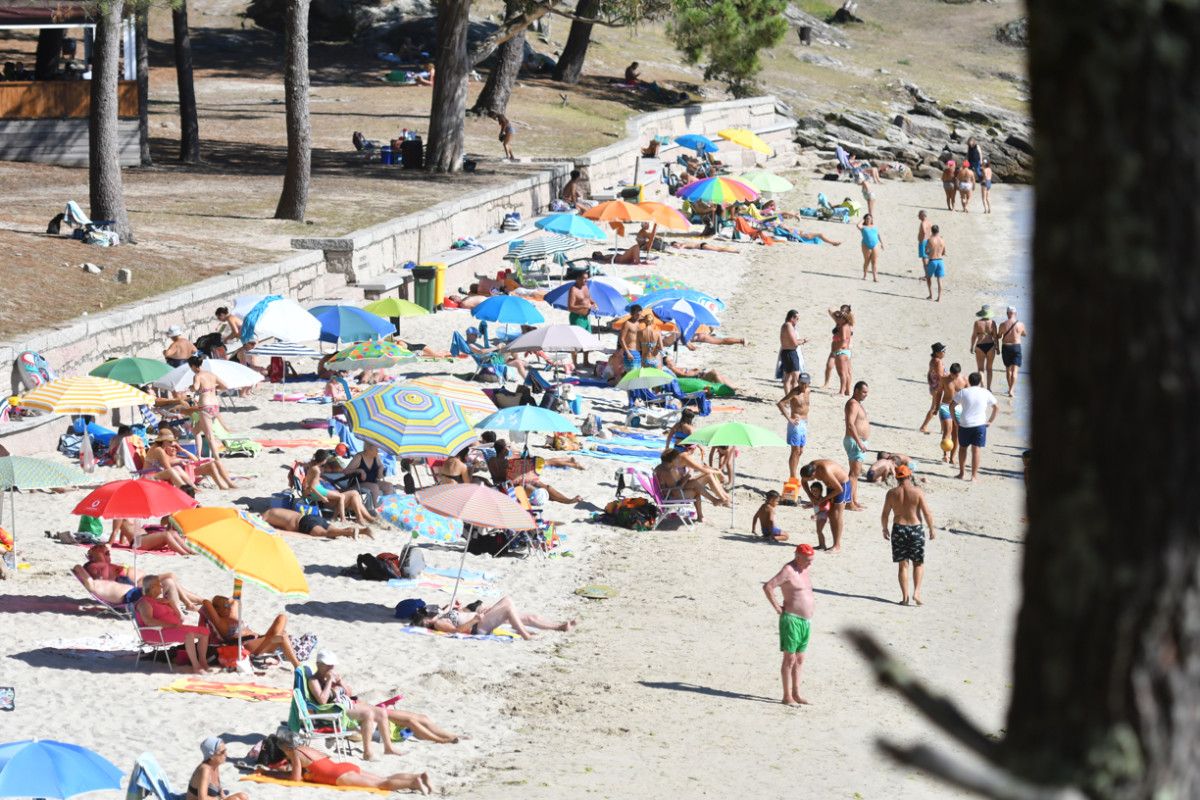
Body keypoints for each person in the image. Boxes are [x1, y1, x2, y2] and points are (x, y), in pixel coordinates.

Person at [257, 727, 431, 794]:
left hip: (337, 776)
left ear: (283, 747)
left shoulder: (294, 753)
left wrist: (273, 775)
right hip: (342, 766)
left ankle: (414, 783)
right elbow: (309, 769)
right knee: (382, 778)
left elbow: (295, 779)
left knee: (382, 784)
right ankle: (417, 776)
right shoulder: (305, 747)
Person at [762, 543, 816, 705]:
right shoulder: (788, 570)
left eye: (811, 560)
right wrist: (778, 608)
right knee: (789, 658)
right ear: (798, 557)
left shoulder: (804, 570)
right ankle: (787, 696)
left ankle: (796, 693)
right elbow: (768, 587)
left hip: (805, 622)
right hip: (791, 619)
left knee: (799, 659)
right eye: (807, 560)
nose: (810, 563)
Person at [880, 465, 935, 605]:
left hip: (899, 529)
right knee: (918, 563)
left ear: (897, 478)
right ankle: (916, 592)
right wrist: (931, 529)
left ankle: (905, 598)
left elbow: (885, 514)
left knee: (903, 565)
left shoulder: (891, 493)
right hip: (915, 528)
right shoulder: (917, 492)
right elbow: (927, 512)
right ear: (909, 476)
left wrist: (885, 528)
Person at [134, 576, 211, 672]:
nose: (161, 586)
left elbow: (179, 617)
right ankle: (196, 666)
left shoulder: (160, 601)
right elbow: (149, 621)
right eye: (159, 584)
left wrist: (170, 603)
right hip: (155, 632)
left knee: (205, 632)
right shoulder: (144, 602)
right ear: (152, 587)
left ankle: (203, 661)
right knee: (189, 635)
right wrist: (172, 625)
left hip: (172, 629)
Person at [201, 595, 302, 667]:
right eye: (225, 606)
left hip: (260, 641)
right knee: (283, 636)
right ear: (217, 610)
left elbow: (236, 598)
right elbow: (206, 602)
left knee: (282, 617)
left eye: (229, 605)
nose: (229, 607)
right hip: (249, 645)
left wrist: (238, 578)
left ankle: (274, 642)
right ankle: (298, 667)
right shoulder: (220, 623)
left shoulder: (233, 615)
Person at [413, 596, 575, 640]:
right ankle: (524, 634)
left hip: (481, 619)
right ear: (427, 621)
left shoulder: (441, 615)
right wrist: (474, 620)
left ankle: (559, 627)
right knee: (508, 604)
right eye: (428, 614)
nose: (431, 612)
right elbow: (456, 630)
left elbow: (456, 612)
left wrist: (455, 605)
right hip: (478, 627)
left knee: (529, 616)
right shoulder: (439, 624)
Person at [488, 439, 582, 503]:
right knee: (539, 490)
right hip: (509, 488)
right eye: (508, 447)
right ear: (503, 449)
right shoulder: (503, 461)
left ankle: (568, 500)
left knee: (543, 485)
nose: (509, 448)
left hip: (514, 482)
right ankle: (568, 500)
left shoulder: (496, 460)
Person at [145, 428, 233, 491]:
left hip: (166, 472)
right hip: (150, 475)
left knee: (214, 464)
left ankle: (194, 488)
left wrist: (182, 451)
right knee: (175, 470)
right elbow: (168, 468)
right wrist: (179, 461)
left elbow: (195, 460)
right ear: (163, 441)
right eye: (170, 441)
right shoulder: (159, 450)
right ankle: (189, 490)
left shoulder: (161, 448)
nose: (173, 444)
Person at [303, 450, 378, 523]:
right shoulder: (317, 470)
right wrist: (322, 497)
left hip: (324, 493)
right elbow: (312, 486)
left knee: (355, 497)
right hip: (323, 496)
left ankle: (364, 518)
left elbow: (310, 480)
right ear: (324, 460)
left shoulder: (313, 467)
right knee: (354, 493)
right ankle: (347, 518)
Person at [951, 372, 999, 482]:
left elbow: (951, 406)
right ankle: (974, 476)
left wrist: (955, 420)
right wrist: (990, 421)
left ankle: (962, 473)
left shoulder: (963, 392)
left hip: (965, 424)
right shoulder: (985, 392)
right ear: (980, 381)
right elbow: (996, 407)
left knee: (962, 449)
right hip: (980, 425)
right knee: (976, 451)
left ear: (969, 381)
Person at [799, 460, 851, 552]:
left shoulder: (825, 471)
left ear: (813, 474)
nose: (809, 481)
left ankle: (837, 545)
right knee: (831, 515)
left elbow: (839, 489)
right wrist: (811, 497)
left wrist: (823, 499)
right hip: (832, 487)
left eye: (810, 479)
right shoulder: (809, 468)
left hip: (842, 486)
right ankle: (824, 545)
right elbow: (803, 482)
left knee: (836, 515)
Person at [188, 355, 229, 468]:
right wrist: (212, 389)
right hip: (215, 405)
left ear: (193, 366)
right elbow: (225, 386)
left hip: (205, 405)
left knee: (209, 436)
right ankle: (198, 455)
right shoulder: (212, 374)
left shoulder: (197, 376)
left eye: (190, 367)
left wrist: (191, 387)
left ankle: (217, 460)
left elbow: (195, 388)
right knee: (196, 430)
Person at [843, 381, 871, 510]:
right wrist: (859, 442)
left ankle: (853, 500)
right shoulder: (853, 404)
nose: (866, 395)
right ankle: (849, 503)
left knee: (855, 473)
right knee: (854, 474)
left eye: (867, 392)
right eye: (864, 392)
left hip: (858, 441)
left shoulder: (858, 404)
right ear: (856, 391)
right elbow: (850, 424)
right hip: (855, 441)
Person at [777, 374, 811, 479]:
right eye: (801, 382)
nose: (803, 385)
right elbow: (780, 404)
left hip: (804, 423)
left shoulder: (809, 390)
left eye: (805, 383)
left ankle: (794, 472)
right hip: (796, 424)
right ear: (798, 381)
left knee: (800, 451)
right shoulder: (794, 392)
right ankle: (792, 475)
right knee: (795, 450)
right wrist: (789, 419)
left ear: (809, 383)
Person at [262, 507, 368, 539]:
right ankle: (361, 531)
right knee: (332, 531)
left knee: (324, 534)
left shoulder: (266, 516)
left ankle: (348, 532)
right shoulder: (274, 511)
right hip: (312, 518)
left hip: (303, 522)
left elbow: (258, 524)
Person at [934, 362, 967, 463]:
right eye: (952, 375)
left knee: (956, 434)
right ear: (950, 373)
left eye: (956, 375)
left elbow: (969, 395)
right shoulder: (944, 379)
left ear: (959, 373)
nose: (954, 377)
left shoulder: (964, 380)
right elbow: (939, 392)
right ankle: (945, 455)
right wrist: (937, 406)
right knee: (948, 429)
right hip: (945, 406)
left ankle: (952, 457)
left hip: (958, 408)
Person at [110, 518, 192, 555]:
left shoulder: (132, 513)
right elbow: (115, 531)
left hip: (144, 538)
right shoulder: (118, 516)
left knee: (172, 532)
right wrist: (109, 544)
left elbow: (125, 530)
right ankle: (184, 553)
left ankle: (189, 551)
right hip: (138, 542)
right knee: (166, 534)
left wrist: (122, 541)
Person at [825, 305, 855, 396]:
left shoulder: (842, 327)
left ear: (844, 318)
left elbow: (842, 340)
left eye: (840, 318)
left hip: (841, 351)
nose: (838, 319)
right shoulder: (848, 326)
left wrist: (837, 349)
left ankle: (841, 392)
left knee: (842, 373)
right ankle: (847, 391)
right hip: (847, 352)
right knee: (847, 372)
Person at [918, 342, 948, 433]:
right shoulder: (938, 362)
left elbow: (929, 373)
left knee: (939, 407)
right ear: (937, 352)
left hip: (934, 386)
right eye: (943, 351)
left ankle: (943, 428)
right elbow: (940, 376)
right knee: (935, 408)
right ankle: (924, 426)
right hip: (938, 388)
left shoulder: (932, 360)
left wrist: (931, 384)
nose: (944, 352)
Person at [998, 305, 1027, 396]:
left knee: (1008, 370)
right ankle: (1011, 390)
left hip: (1006, 347)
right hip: (1016, 347)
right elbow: (1025, 334)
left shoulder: (1003, 324)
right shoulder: (1020, 324)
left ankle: (1009, 388)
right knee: (1015, 371)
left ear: (1007, 313)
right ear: (1015, 313)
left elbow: (999, 335)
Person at [969, 304, 999, 388]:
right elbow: (995, 336)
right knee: (989, 368)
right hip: (990, 345)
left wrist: (972, 346)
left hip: (980, 345)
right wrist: (998, 348)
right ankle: (988, 388)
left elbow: (974, 336)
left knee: (980, 369)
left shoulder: (977, 323)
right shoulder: (992, 323)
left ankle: (982, 386)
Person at [777, 309, 806, 394]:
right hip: (790, 353)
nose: (797, 321)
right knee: (795, 378)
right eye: (797, 318)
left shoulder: (785, 325)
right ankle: (792, 398)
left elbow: (791, 341)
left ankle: (788, 398)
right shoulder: (788, 326)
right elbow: (794, 342)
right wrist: (803, 341)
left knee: (787, 378)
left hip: (786, 352)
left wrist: (802, 340)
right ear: (792, 318)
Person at [924, 225, 947, 301]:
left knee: (928, 277)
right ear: (938, 231)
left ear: (931, 231)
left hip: (932, 260)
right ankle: (939, 298)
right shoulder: (942, 240)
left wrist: (930, 253)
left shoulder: (930, 240)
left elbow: (926, 251)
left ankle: (931, 295)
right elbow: (944, 252)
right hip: (940, 261)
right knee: (939, 280)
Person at [857, 213, 882, 282]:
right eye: (867, 218)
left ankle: (875, 277)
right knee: (866, 261)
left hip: (875, 244)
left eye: (870, 218)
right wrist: (862, 219)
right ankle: (864, 275)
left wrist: (881, 243)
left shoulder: (874, 226)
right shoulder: (863, 227)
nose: (868, 220)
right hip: (865, 244)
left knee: (874, 261)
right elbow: (858, 225)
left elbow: (878, 234)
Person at [916, 210, 932, 275]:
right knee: (927, 258)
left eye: (919, 215)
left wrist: (921, 239)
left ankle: (927, 275)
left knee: (924, 259)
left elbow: (924, 232)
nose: (918, 217)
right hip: (928, 241)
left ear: (923, 215)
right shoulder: (929, 222)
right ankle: (928, 274)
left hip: (923, 242)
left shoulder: (923, 223)